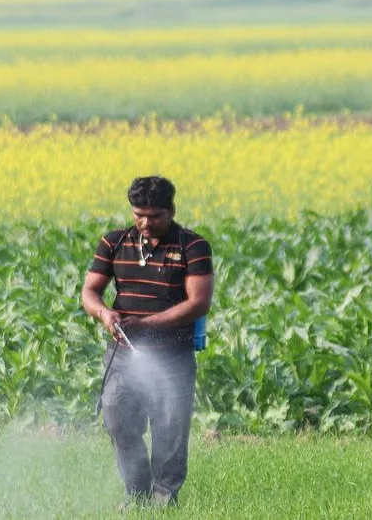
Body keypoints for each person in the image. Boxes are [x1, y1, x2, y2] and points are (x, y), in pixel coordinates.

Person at [81, 176, 215, 509]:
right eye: (138, 214)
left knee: (170, 427)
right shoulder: (114, 242)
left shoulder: (192, 247)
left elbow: (198, 303)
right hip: (123, 353)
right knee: (116, 418)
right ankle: (136, 492)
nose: (145, 222)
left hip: (172, 356)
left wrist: (146, 325)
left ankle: (164, 500)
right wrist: (104, 314)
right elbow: (90, 292)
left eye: (154, 215)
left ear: (171, 210)